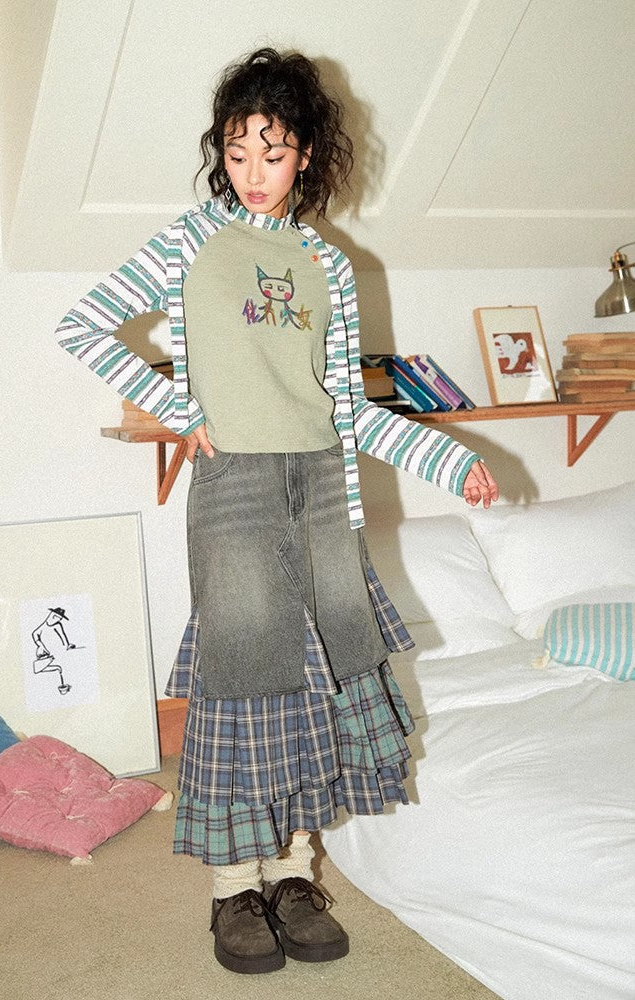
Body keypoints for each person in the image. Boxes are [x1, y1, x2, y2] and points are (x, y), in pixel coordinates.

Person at [55, 47, 499, 975]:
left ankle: (294, 876)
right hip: (238, 488)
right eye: (238, 152)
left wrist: (452, 460)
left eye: (275, 151)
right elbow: (81, 324)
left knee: (315, 688)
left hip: (322, 486)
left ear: (307, 155)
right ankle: (234, 890)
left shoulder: (329, 265)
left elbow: (347, 407)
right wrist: (180, 411)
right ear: (220, 152)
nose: (255, 172)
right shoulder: (192, 240)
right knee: (242, 683)